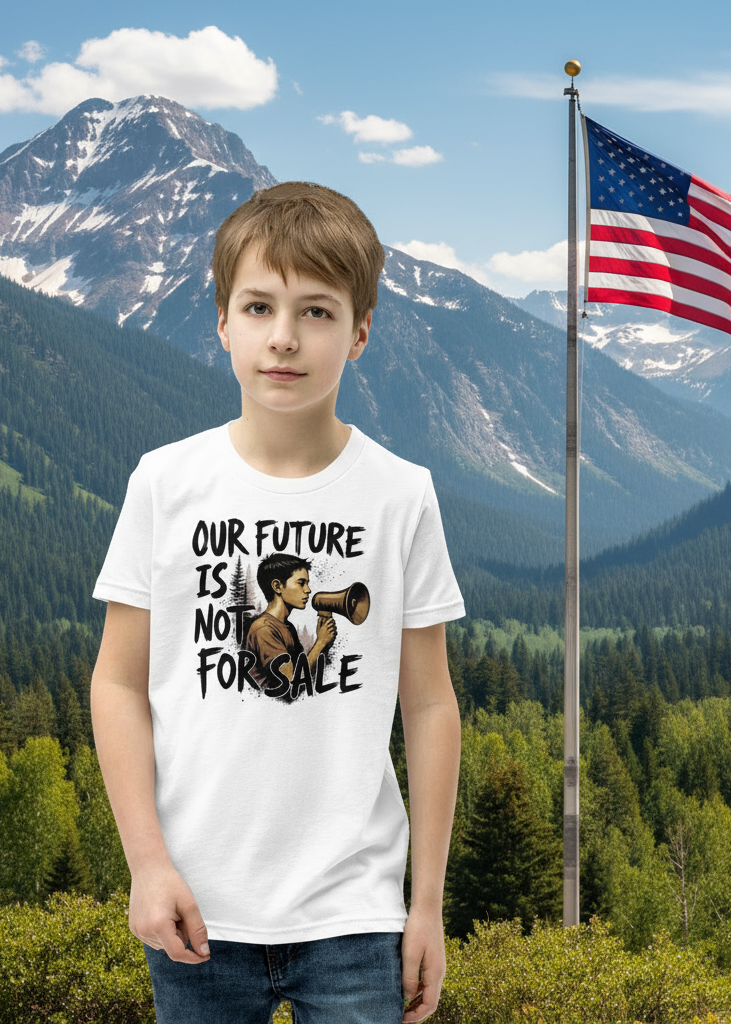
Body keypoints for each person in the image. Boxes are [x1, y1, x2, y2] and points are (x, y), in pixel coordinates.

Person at [90, 181, 465, 1024]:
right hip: (196, 905)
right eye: (259, 307)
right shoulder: (165, 482)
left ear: (360, 333)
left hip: (356, 914)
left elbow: (431, 703)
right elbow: (116, 683)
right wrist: (146, 864)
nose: (284, 338)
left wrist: (427, 905)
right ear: (222, 321)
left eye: (318, 313)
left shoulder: (402, 495)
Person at [243, 553, 336, 697]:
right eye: (301, 583)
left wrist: (325, 644)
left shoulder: (286, 627)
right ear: (277, 586)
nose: (308, 590)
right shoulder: (264, 629)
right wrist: (321, 642)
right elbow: (291, 680)